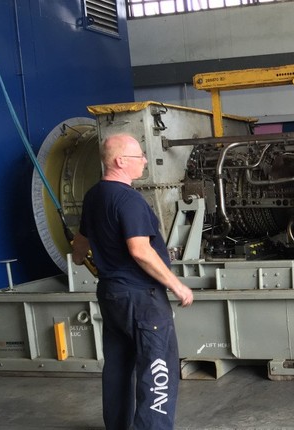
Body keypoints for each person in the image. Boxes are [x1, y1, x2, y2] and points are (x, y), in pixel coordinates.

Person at [71, 133, 194, 429]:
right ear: (120, 161)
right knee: (157, 367)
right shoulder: (129, 200)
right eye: (139, 156)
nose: (144, 161)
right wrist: (177, 285)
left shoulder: (94, 196)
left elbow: (80, 243)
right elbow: (140, 250)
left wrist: (78, 258)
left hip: (111, 295)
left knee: (118, 365)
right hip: (142, 298)